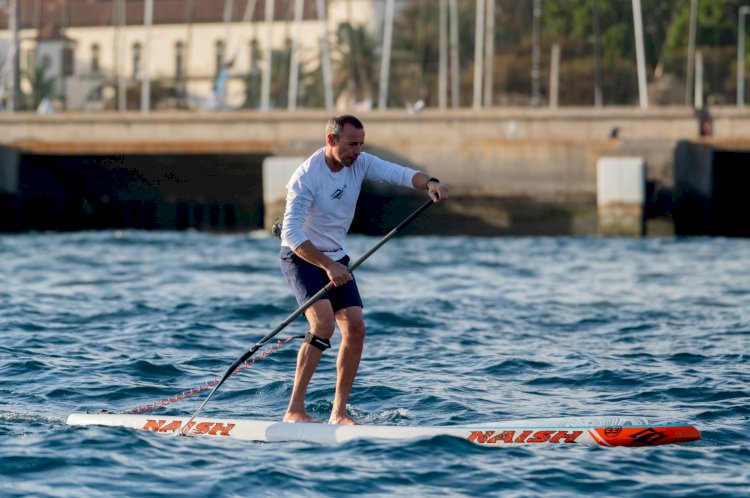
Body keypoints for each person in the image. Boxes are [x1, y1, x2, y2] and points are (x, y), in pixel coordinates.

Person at [279, 114, 449, 425]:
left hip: (337, 257)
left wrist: (430, 182)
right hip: (302, 257)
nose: (357, 151)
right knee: (323, 324)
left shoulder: (361, 162)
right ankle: (294, 410)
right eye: (351, 144)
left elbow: (400, 174)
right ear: (331, 141)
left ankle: (338, 413)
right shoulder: (306, 176)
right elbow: (289, 233)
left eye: (361, 144)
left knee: (355, 327)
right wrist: (328, 265)